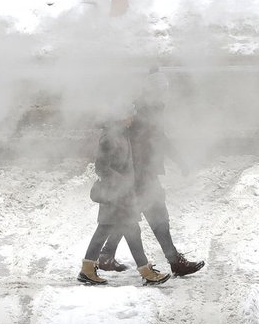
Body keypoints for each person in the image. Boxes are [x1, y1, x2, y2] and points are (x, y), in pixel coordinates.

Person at [97, 70, 205, 277]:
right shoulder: (140, 109)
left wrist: (179, 159)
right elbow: (127, 137)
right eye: (161, 89)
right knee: (155, 215)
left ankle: (106, 255)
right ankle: (174, 262)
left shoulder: (152, 107)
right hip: (139, 172)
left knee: (129, 215)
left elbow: (159, 137)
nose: (164, 93)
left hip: (142, 170)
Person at [78, 105, 171, 286]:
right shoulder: (110, 138)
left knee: (117, 230)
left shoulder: (121, 135)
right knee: (126, 229)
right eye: (129, 114)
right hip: (115, 194)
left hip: (122, 193)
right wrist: (121, 182)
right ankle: (145, 271)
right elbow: (101, 167)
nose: (132, 117)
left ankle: (88, 269)